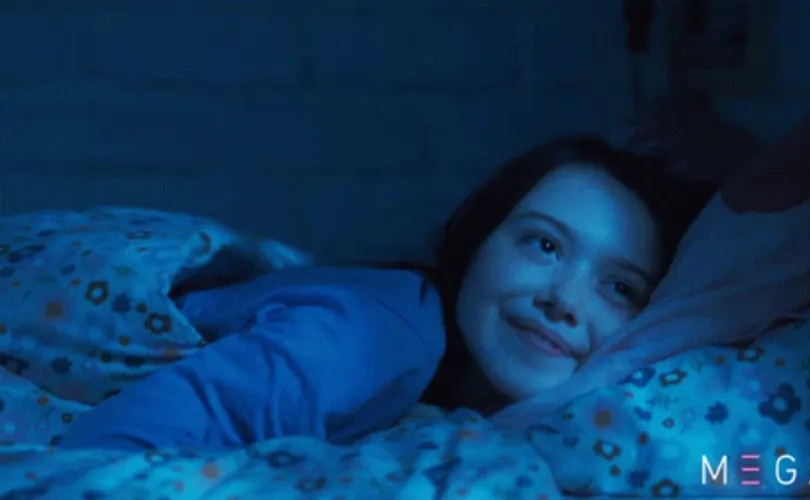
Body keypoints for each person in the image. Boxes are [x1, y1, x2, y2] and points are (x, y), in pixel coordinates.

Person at [60, 135, 708, 450]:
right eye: (542, 244)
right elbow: (112, 450)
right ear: (476, 244)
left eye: (619, 287)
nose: (563, 298)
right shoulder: (371, 335)